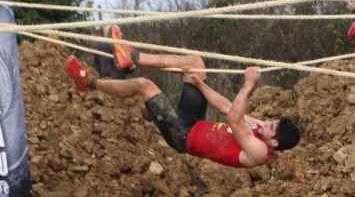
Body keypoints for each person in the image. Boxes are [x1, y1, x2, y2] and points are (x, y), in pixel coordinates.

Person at [64, 27, 300, 168]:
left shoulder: (260, 152)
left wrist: (248, 85)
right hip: (195, 120)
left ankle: (89, 83)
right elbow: (226, 108)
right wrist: (199, 84)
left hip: (183, 135)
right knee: (195, 63)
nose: (266, 123)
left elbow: (236, 120)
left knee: (144, 85)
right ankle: (132, 57)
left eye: (271, 126)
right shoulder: (259, 129)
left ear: (274, 142)